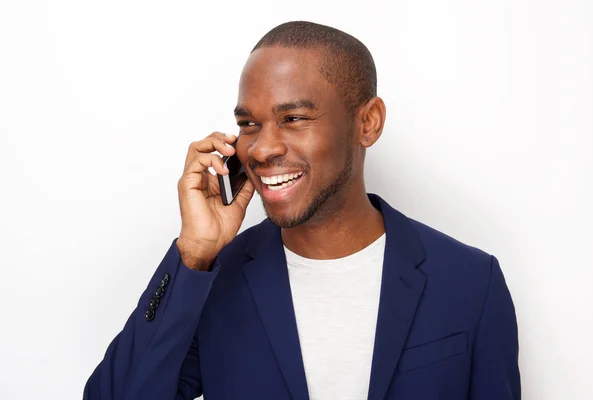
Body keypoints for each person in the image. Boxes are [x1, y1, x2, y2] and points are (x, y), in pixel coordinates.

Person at [84, 21, 520, 400]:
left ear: (367, 123)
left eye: (293, 118)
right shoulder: (212, 281)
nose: (262, 148)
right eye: (248, 124)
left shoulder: (469, 282)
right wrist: (195, 252)